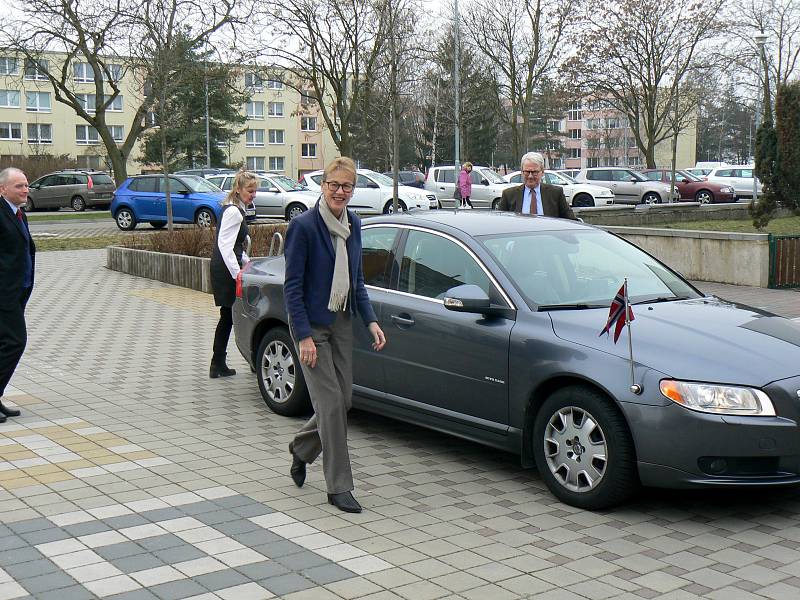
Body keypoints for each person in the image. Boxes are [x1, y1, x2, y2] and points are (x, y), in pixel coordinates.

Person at [284, 156, 386, 514]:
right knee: (329, 405)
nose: (340, 192)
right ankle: (338, 486)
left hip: (342, 322)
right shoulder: (304, 226)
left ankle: (301, 449)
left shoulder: (354, 224)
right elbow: (292, 287)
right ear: (322, 185)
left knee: (343, 402)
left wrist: (370, 321)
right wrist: (303, 336)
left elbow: (356, 280)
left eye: (347, 186)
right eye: (334, 185)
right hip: (313, 327)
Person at [209, 170, 258, 378]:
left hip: (225, 266)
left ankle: (217, 363)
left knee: (227, 317)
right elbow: (225, 246)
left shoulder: (235, 208)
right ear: (238, 189)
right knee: (229, 316)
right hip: (225, 269)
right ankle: (218, 362)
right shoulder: (234, 212)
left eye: (255, 190)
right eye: (250, 190)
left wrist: (247, 261)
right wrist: (237, 273)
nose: (253, 194)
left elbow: (234, 245)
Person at [0, 168, 35, 424]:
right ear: (3, 189)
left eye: (26, 185)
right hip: (4, 294)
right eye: (19, 186)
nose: (25, 190)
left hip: (18, 291)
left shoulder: (18, 213)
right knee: (15, 342)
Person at [497, 152, 576, 219]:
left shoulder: (556, 194)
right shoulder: (508, 195)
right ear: (521, 172)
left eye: (534, 172)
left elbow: (571, 221)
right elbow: (500, 222)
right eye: (527, 172)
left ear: (542, 172)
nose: (530, 176)